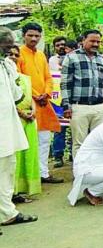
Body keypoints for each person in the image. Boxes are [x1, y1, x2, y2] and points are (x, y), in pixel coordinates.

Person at [0, 26, 37, 226]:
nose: (10, 50)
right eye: (6, 45)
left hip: (7, 128)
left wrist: (10, 69)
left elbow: (17, 95)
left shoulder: (6, 65)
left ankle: (7, 213)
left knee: (7, 170)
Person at [18, 22, 62, 184]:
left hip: (44, 103)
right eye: (30, 35)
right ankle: (29, 176)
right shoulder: (18, 54)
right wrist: (36, 96)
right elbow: (19, 79)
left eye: (37, 36)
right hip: (27, 104)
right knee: (28, 141)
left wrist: (47, 93)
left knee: (44, 140)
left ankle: (43, 173)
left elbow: (48, 78)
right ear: (24, 36)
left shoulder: (41, 55)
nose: (34, 38)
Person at [61, 29, 103, 159]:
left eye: (98, 42)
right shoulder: (71, 57)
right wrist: (66, 106)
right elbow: (65, 83)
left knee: (100, 141)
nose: (96, 44)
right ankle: (80, 173)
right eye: (92, 41)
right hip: (79, 107)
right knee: (79, 143)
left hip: (100, 107)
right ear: (83, 40)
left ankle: (97, 171)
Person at [8, 46, 41, 202]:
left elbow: (31, 96)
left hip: (29, 119)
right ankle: (10, 193)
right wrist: (21, 113)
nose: (14, 57)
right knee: (13, 156)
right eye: (10, 54)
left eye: (16, 55)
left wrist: (33, 111)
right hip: (12, 120)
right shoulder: (4, 77)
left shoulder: (23, 77)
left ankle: (21, 190)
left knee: (28, 154)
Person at [49, 36, 69, 168]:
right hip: (57, 100)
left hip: (72, 98)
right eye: (58, 45)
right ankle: (58, 156)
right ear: (54, 47)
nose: (61, 47)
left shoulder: (73, 58)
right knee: (59, 128)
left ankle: (74, 155)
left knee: (76, 128)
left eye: (63, 44)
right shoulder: (51, 60)